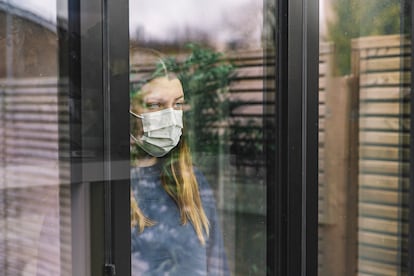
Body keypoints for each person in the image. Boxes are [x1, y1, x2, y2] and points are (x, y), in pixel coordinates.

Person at [129, 57, 229, 275]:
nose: (170, 116)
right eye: (155, 105)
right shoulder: (110, 186)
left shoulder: (190, 180)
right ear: (130, 110)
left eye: (178, 104)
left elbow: (217, 265)